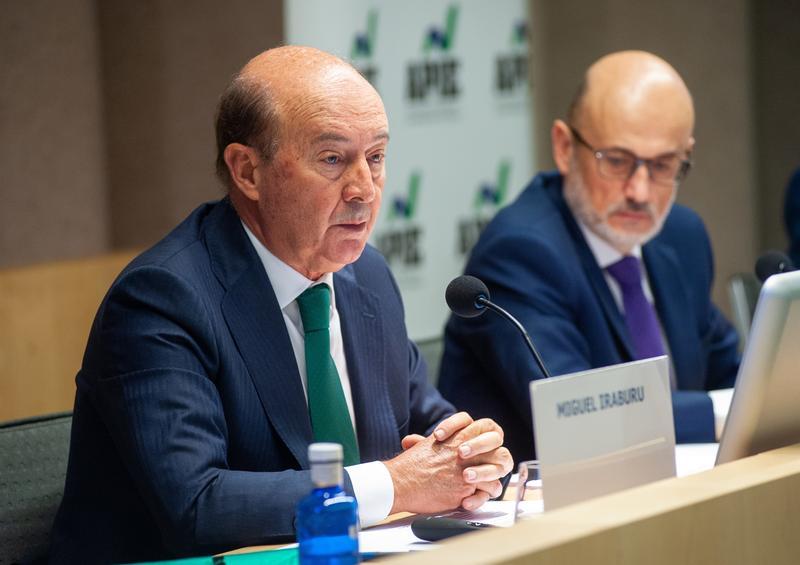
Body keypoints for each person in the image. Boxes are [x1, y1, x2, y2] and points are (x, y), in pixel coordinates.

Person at [49, 46, 511, 564]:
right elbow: (196, 506)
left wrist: (470, 455)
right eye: (333, 159)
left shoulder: (367, 276)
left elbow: (426, 423)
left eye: (376, 157)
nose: (364, 189)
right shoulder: (162, 299)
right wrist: (395, 484)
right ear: (247, 170)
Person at [439, 50, 740, 462]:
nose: (639, 191)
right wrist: (722, 413)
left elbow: (735, 376)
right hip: (543, 498)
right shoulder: (520, 252)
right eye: (616, 161)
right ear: (564, 147)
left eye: (663, 165)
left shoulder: (680, 237)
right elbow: (581, 416)